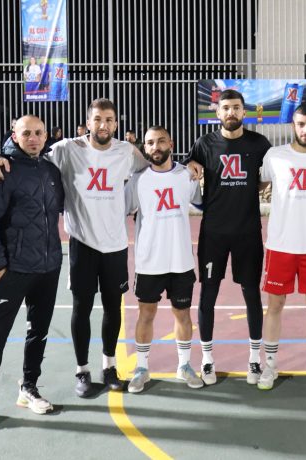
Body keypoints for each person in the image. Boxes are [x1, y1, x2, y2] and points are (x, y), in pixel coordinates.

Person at [0, 98, 149, 397]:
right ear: (87, 123)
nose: (103, 125)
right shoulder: (67, 149)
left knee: (113, 308)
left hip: (115, 245)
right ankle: (82, 370)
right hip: (82, 243)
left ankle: (109, 367)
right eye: (97, 119)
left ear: (116, 124)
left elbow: (152, 166)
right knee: (81, 308)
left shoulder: (126, 151)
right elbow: (27, 152)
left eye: (109, 119)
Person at [0, 115, 64, 434]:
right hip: (14, 270)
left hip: (48, 268)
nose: (33, 138)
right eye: (26, 133)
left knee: (39, 332)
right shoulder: (2, 170)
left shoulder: (51, 170)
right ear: (14, 135)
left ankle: (29, 388)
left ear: (46, 136)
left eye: (38, 133)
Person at [185, 89, 272, 385]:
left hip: (248, 232)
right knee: (208, 294)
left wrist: (261, 186)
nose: (231, 112)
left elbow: (270, 175)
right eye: (225, 108)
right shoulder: (204, 143)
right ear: (217, 112)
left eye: (236, 107)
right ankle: (207, 359)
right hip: (214, 233)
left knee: (251, 294)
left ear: (244, 112)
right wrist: (190, 164)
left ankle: (255, 359)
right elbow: (188, 165)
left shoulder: (259, 144)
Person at [256, 103, 306, 390]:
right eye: (301, 124)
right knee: (275, 305)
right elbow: (258, 184)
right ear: (293, 125)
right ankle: (270, 366)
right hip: (281, 244)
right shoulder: (275, 156)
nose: (305, 129)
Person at [125, 126, 204, 393]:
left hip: (181, 260)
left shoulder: (187, 176)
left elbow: (202, 204)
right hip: (149, 261)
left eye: (160, 141)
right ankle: (142, 368)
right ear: (145, 148)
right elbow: (120, 210)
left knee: (183, 314)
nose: (155, 147)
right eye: (150, 143)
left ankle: (184, 365)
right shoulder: (138, 180)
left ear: (171, 143)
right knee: (146, 314)